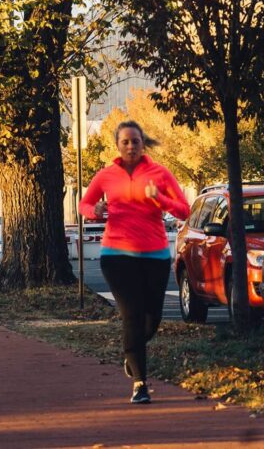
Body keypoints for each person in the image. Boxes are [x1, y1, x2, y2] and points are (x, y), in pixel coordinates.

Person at [80, 120, 190, 404]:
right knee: (132, 315)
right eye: (125, 142)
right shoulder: (106, 176)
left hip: (154, 255)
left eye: (135, 141)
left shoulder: (160, 173)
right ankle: (140, 384)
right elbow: (84, 205)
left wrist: (161, 199)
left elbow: (185, 209)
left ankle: (132, 350)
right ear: (117, 145)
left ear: (143, 144)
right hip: (116, 255)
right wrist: (96, 209)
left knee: (152, 319)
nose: (130, 146)